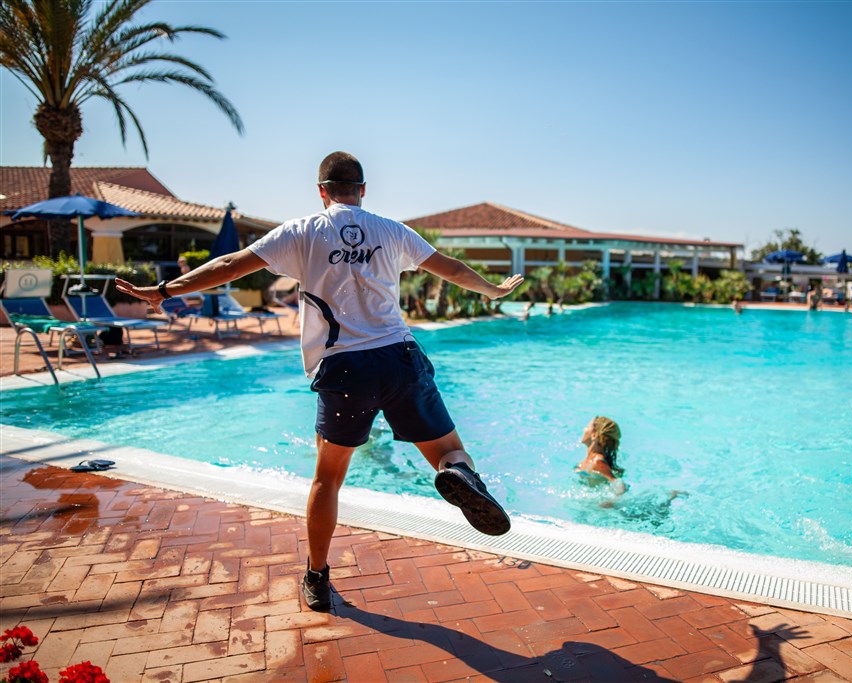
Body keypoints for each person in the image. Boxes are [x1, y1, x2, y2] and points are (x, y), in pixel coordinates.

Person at [115, 151, 524, 612]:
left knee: (327, 479)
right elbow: (446, 266)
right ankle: (459, 474)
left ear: (322, 190)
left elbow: (229, 264)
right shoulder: (392, 230)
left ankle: (316, 576)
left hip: (345, 369)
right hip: (399, 358)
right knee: (449, 449)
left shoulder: (301, 231)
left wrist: (165, 291)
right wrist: (493, 290)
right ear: (364, 189)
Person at [576, 416, 626, 495]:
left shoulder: (598, 462)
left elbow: (620, 486)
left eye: (587, 427)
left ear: (594, 435)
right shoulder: (586, 462)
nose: (584, 429)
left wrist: (610, 502)